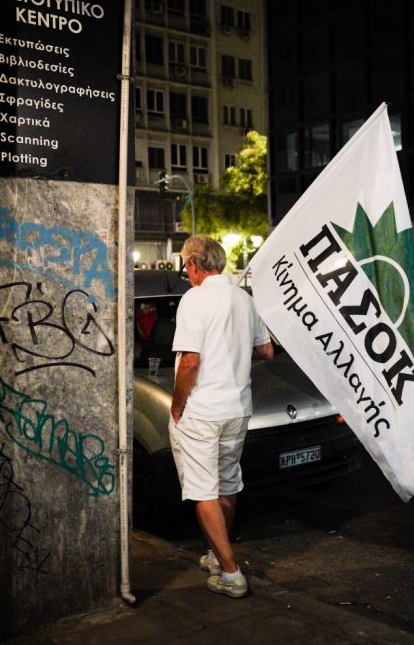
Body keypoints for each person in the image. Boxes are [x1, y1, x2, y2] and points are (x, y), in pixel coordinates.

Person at [169, 236, 272, 598]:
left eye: (185, 265)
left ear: (193, 265)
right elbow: (266, 350)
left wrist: (177, 406)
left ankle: (231, 574)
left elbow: (191, 361)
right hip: (237, 408)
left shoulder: (194, 299)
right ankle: (216, 554)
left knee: (203, 490)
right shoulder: (245, 299)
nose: (186, 272)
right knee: (227, 483)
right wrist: (234, 353)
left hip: (202, 410)